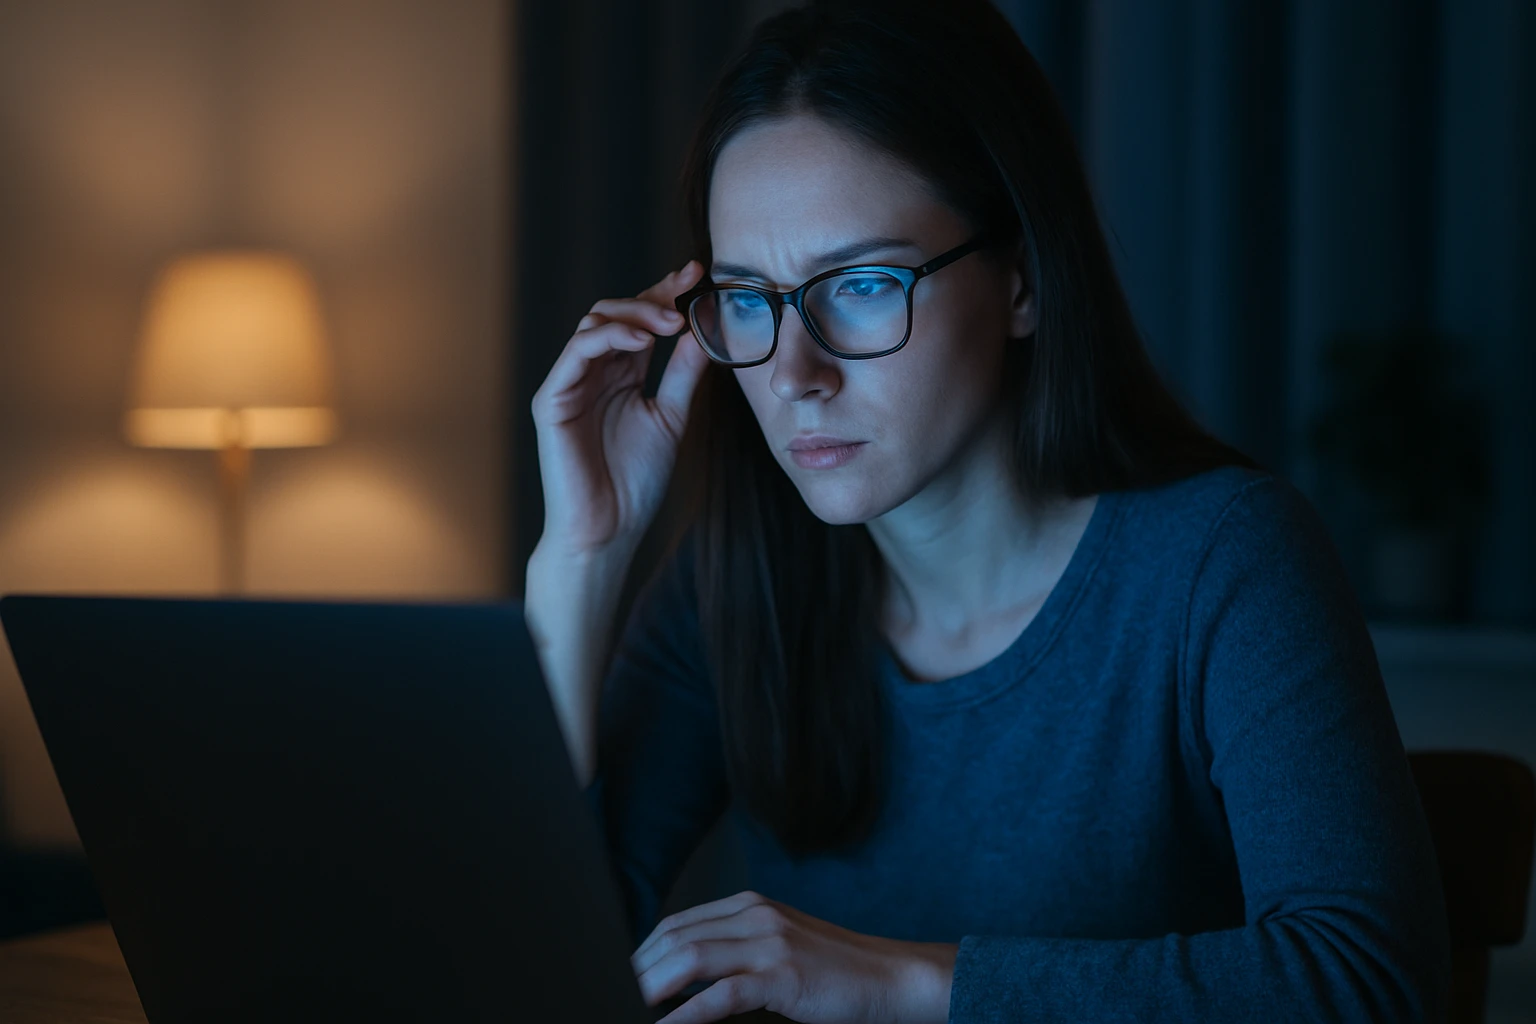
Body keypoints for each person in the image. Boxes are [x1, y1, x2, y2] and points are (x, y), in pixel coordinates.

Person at [523, 1, 1451, 1021]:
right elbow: (521, 953)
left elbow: (1369, 983)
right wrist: (581, 560)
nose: (794, 371)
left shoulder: (1222, 562)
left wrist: (899, 980)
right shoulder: (737, 583)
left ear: (1021, 282)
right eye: (748, 297)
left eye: (863, 283)